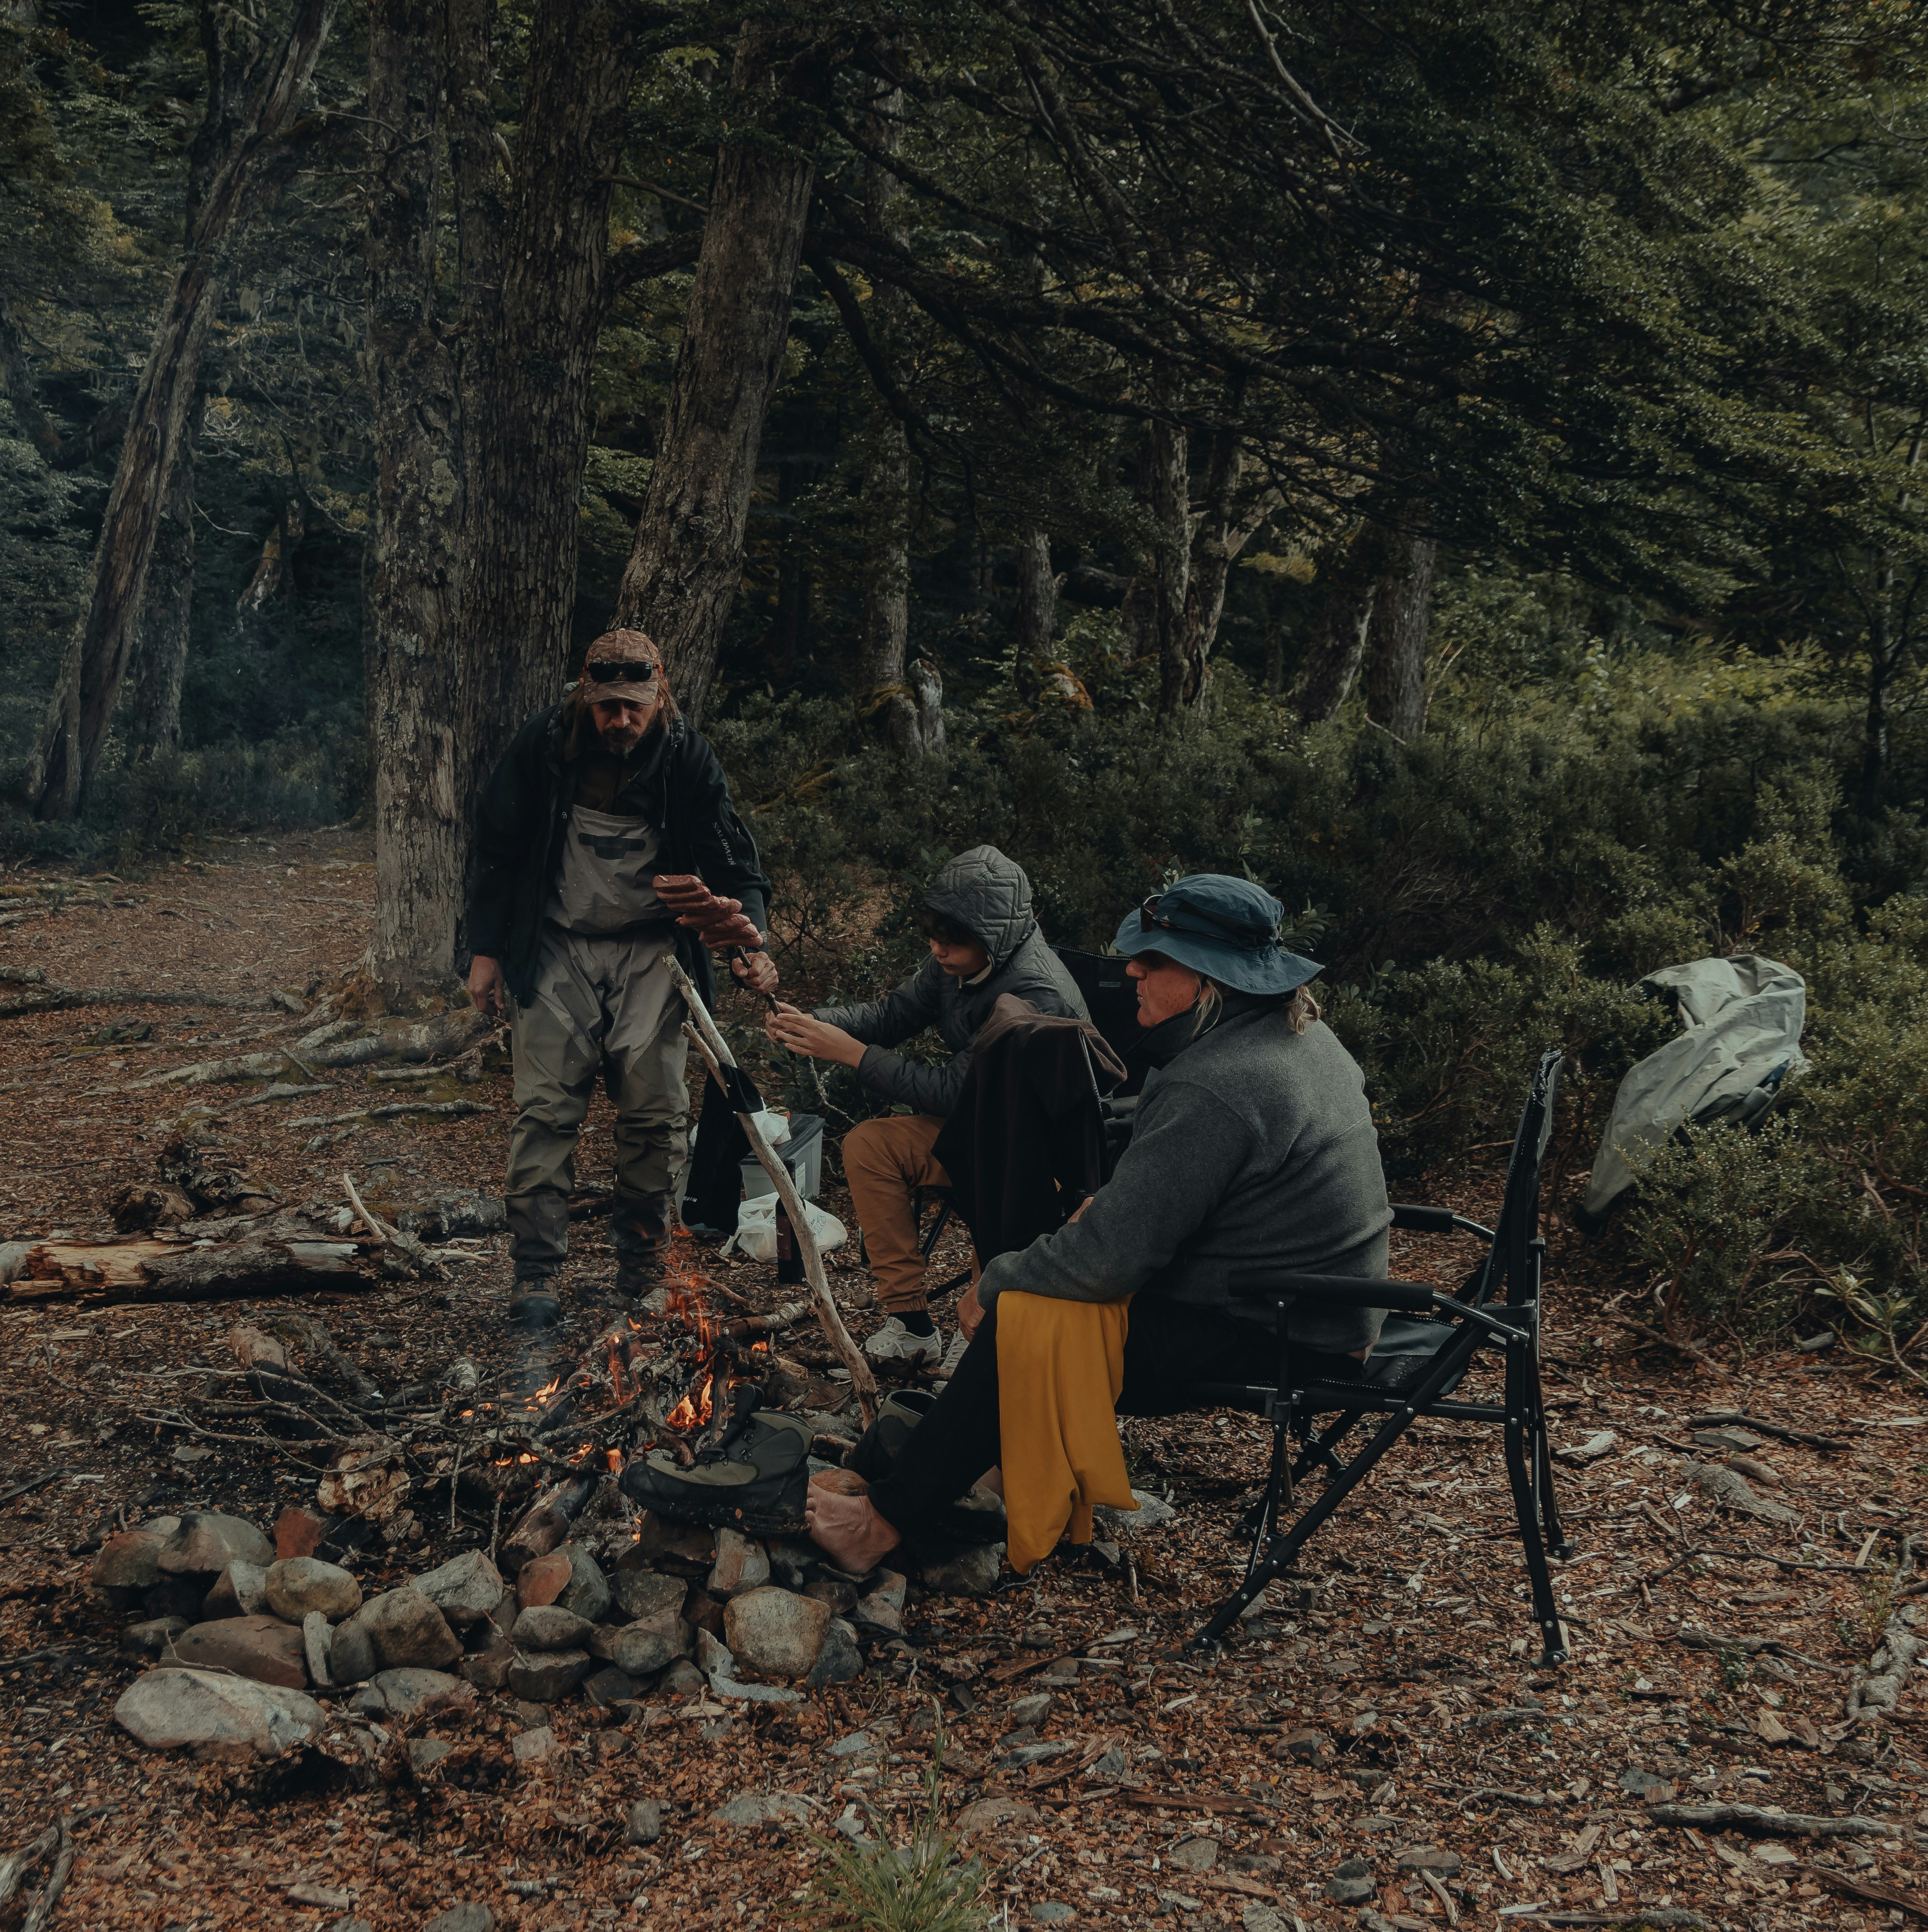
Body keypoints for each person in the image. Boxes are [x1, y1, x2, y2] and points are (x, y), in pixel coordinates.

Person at [802, 873, 1392, 1576]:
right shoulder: (1298, 1037)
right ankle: (985, 1472)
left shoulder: (1221, 1083)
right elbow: (1168, 1190)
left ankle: (883, 1525)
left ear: (1211, 981)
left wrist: (997, 1281)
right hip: (1311, 1308)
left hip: (1278, 1331)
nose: (1132, 970)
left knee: (1022, 1319)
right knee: (1035, 1302)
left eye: (1157, 960)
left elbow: (1110, 1260)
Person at [465, 628, 777, 1328]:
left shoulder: (687, 758)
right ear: (586, 693)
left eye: (634, 706)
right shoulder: (544, 746)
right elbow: (497, 848)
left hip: (651, 952)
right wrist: (485, 950)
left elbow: (735, 864)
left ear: (658, 691)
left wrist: (748, 939)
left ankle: (642, 1272)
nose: (620, 720)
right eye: (608, 706)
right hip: (557, 946)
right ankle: (536, 1277)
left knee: (655, 1117)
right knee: (544, 1113)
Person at [765, 847, 1087, 1366]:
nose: (937, 949)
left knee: (995, 1167)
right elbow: (894, 1014)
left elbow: (953, 1094)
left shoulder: (1034, 992)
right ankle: (912, 1323)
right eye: (932, 935)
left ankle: (985, 1330)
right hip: (977, 1127)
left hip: (1035, 1154)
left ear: (994, 938)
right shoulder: (959, 959)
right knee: (869, 1145)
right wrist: (812, 1022)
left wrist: (849, 1054)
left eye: (951, 940)